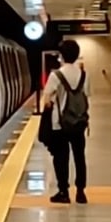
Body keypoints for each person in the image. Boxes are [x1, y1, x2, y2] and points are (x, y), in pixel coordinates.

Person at [39, 40, 90, 204]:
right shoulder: (84, 75)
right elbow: (87, 95)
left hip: (59, 123)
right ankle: (81, 192)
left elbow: (47, 100)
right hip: (79, 122)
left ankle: (63, 191)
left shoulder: (56, 75)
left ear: (61, 56)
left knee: (61, 157)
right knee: (79, 157)